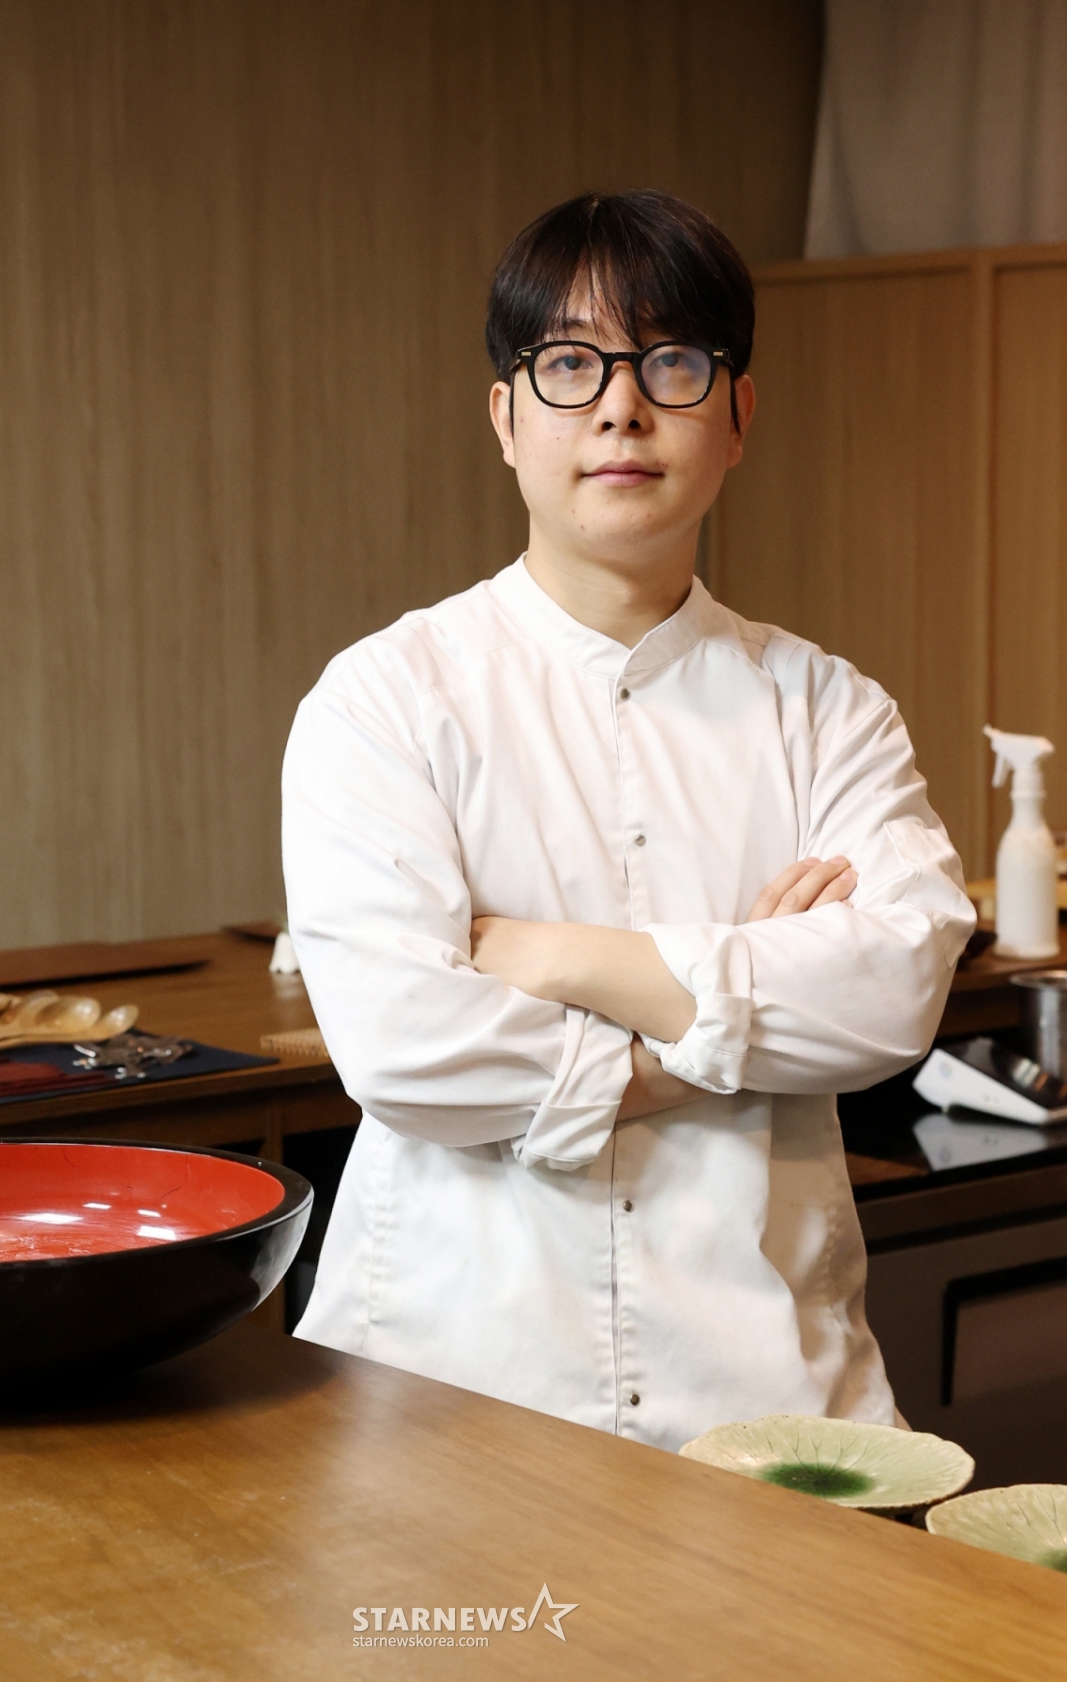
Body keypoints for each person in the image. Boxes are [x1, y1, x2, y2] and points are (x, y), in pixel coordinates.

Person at [282, 190, 974, 1451]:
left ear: (738, 415)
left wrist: (561, 959)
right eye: (569, 365)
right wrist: (741, 1006)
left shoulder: (828, 709)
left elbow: (894, 989)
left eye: (671, 362)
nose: (620, 407)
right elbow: (403, 1046)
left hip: (774, 1400)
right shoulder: (385, 699)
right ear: (506, 417)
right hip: (459, 1393)